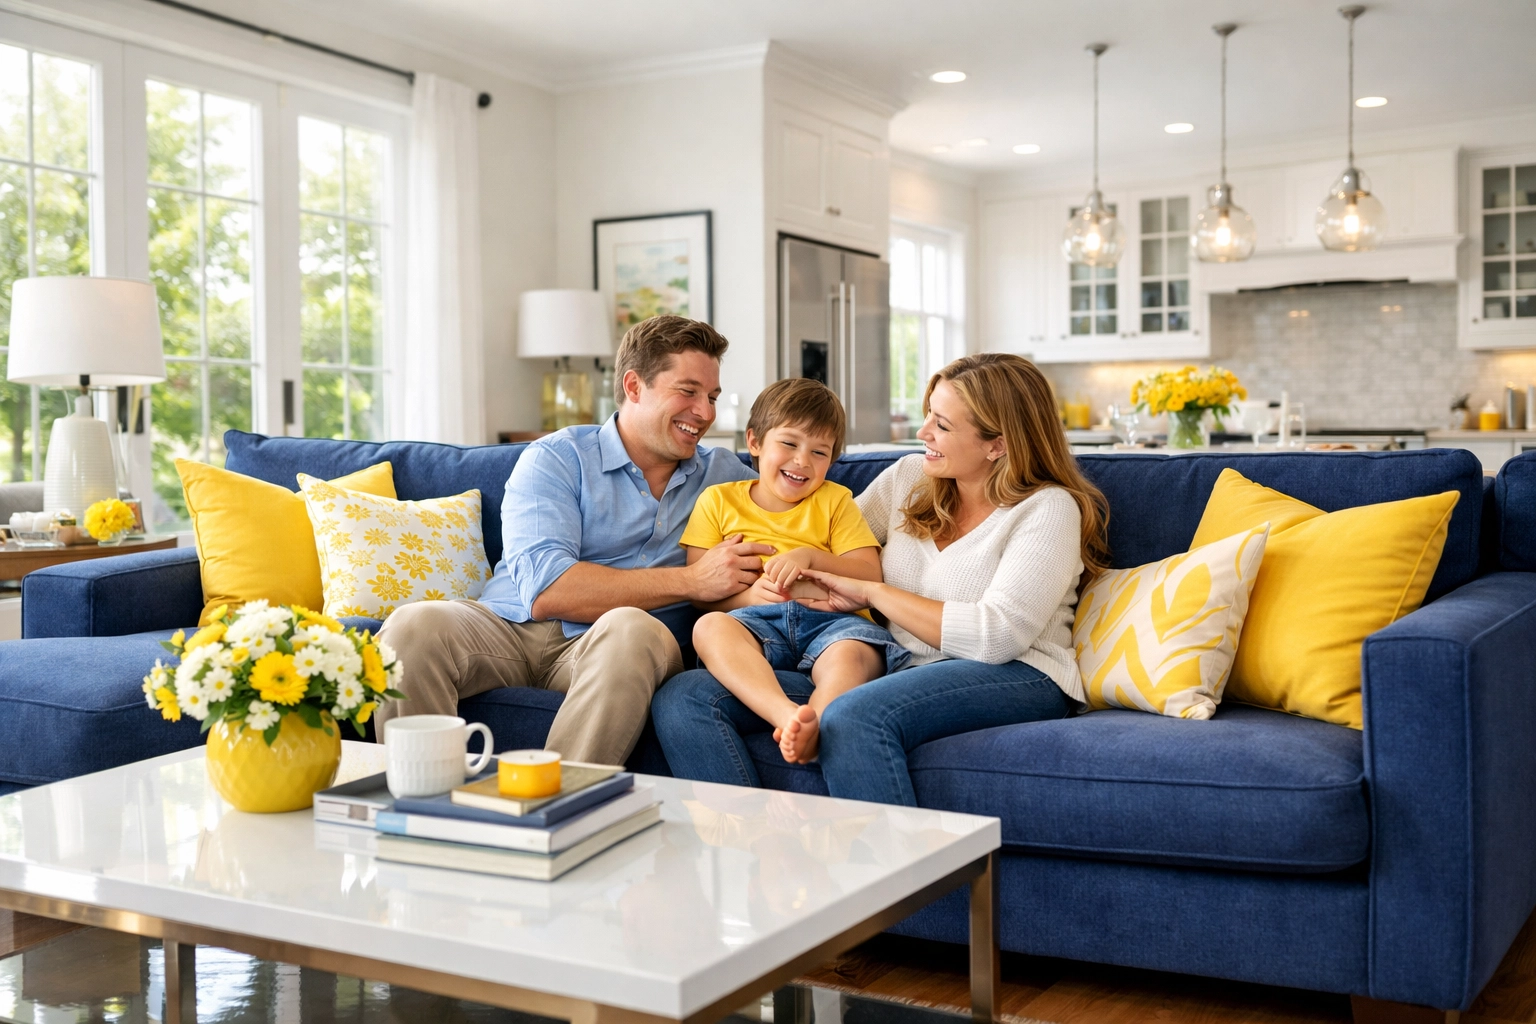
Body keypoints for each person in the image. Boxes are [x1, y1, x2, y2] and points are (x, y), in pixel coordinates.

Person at [652, 353, 1110, 806]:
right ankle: (746, 853)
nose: (922, 433)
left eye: (942, 426)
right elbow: (829, 543)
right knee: (685, 697)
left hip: (1016, 673)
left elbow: (998, 637)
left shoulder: (1047, 509)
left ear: (998, 444)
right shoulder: (911, 478)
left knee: (850, 718)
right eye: (929, 414)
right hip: (901, 667)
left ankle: (891, 879)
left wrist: (873, 592)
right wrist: (751, 583)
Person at [375, 315, 765, 764]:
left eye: (712, 396)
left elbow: (826, 513)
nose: (706, 413)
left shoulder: (725, 478)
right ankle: (423, 810)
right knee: (411, 626)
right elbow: (548, 591)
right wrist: (693, 581)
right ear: (634, 386)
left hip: (619, 647)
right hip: (510, 628)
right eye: (689, 391)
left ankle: (552, 813)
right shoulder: (558, 457)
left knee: (631, 627)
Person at [682, 379, 909, 765]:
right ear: (754, 442)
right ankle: (786, 716)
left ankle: (816, 724)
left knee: (851, 657)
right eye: (789, 444)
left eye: (819, 452)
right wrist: (747, 598)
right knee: (709, 628)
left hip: (834, 623)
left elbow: (870, 575)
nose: (802, 460)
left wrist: (811, 557)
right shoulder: (717, 501)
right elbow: (699, 589)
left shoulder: (835, 500)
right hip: (755, 624)